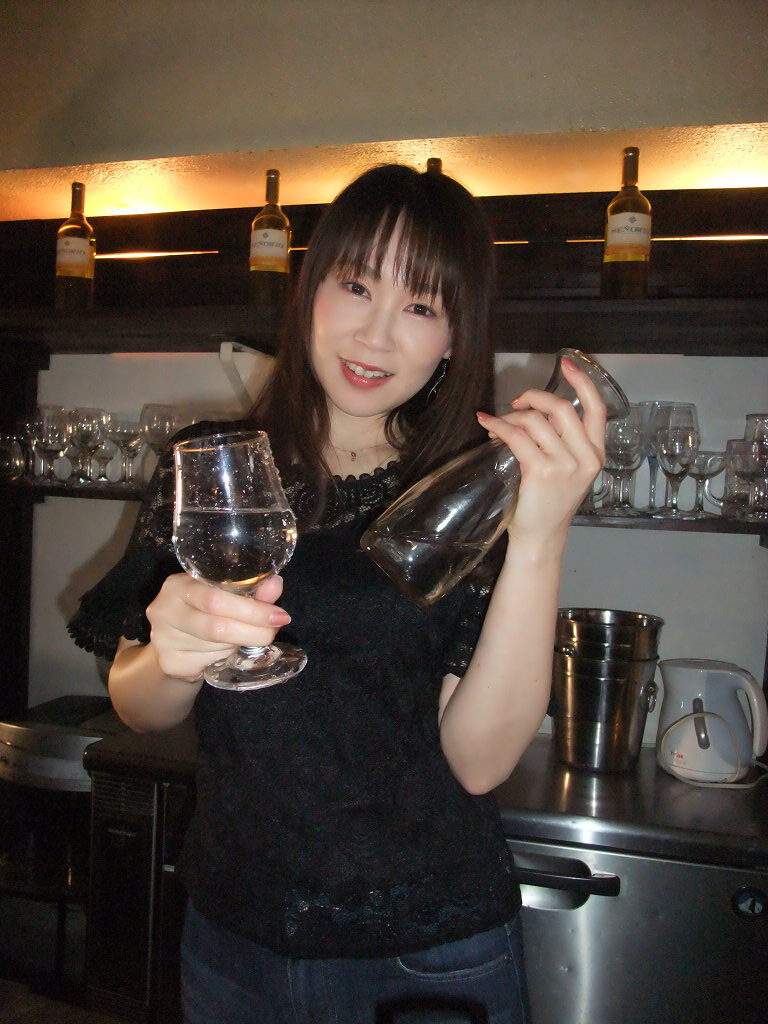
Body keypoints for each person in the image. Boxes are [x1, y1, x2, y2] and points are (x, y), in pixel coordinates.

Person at [69, 163, 605, 1024]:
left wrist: (541, 536)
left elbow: (478, 761)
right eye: (356, 286)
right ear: (310, 290)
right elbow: (141, 707)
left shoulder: (467, 496)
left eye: (420, 307)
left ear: (455, 339)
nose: (375, 335)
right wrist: (172, 653)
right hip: (233, 935)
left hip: (425, 947)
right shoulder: (212, 466)